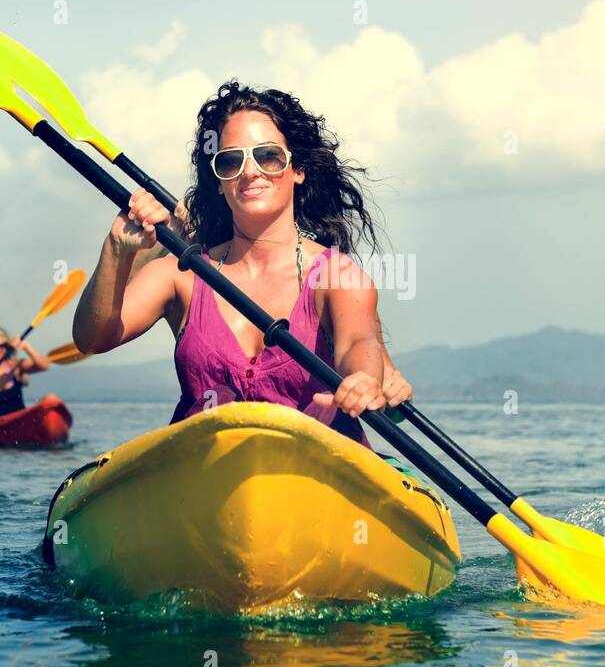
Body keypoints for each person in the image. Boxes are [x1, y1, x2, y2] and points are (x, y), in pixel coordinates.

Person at [73, 80, 411, 447]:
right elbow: (92, 338)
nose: (250, 172)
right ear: (219, 182)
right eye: (231, 161)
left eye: (268, 156)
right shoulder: (180, 276)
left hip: (319, 472)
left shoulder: (338, 276)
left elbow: (357, 343)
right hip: (205, 474)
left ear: (298, 170)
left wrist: (363, 379)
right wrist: (117, 249)